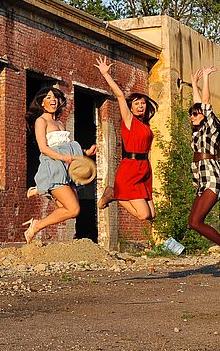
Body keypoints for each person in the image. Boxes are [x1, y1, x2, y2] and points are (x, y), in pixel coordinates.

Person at [23, 86, 97, 244]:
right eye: (49, 97)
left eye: (55, 97)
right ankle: (36, 225)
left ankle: (41, 189)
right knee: (74, 209)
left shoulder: (60, 124)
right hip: (53, 167)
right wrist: (64, 157)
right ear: (42, 102)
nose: (53, 100)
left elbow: (67, 147)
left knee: (67, 209)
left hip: (66, 170)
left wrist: (86, 152)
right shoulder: (40, 121)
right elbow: (44, 148)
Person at [94, 56, 158, 222]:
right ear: (131, 107)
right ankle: (113, 194)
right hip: (130, 167)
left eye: (143, 103)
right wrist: (106, 74)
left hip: (144, 169)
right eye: (137, 103)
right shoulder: (129, 120)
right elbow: (120, 96)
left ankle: (114, 192)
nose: (141, 106)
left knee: (152, 215)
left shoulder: (145, 125)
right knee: (143, 214)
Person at [189, 67, 220, 265]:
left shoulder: (211, 129)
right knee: (193, 223)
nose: (191, 116)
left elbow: (205, 104)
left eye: (195, 114)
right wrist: (193, 84)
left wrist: (206, 79)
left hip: (212, 180)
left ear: (204, 117)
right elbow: (199, 104)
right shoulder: (197, 132)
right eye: (190, 114)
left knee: (197, 221)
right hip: (202, 182)